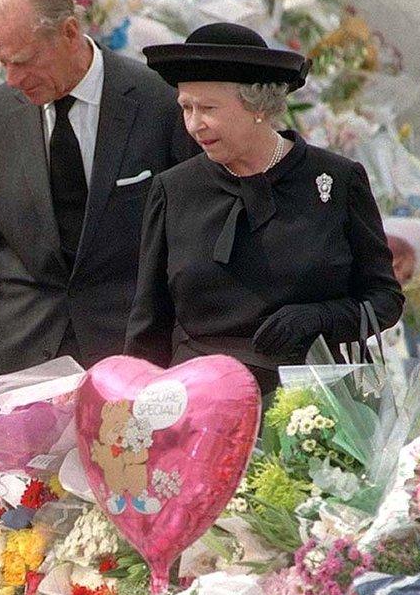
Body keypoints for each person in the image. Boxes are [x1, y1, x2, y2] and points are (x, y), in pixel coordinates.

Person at [0, 0, 196, 425]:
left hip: (128, 361)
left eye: (23, 60)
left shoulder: (159, 103)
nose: (11, 78)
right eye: (0, 61)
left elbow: (188, 246)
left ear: (70, 32)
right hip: (15, 362)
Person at [125, 23, 404, 396]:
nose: (194, 125)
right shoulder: (174, 189)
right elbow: (149, 325)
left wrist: (320, 318)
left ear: (258, 106)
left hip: (314, 409)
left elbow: (385, 300)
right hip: (200, 407)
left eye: (208, 108)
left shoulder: (337, 180)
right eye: (186, 108)